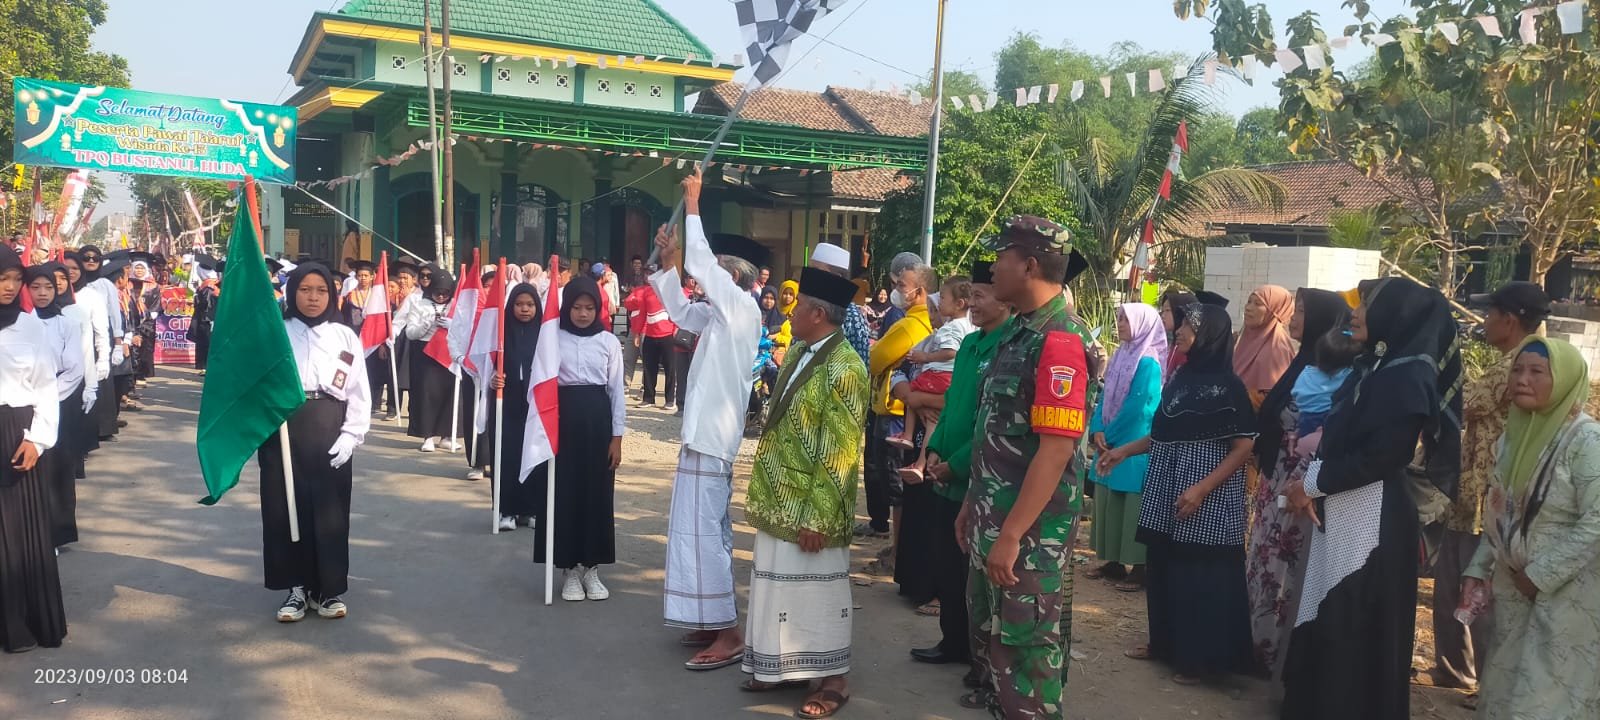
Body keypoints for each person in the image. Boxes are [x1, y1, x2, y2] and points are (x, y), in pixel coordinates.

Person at [1281, 278, 1462, 720]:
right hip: (1346, 506)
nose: (1355, 314)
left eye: (1366, 306)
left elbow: (1384, 455)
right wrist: (1313, 485)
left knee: (1353, 624)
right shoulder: (1374, 368)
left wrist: (1312, 485)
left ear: (1395, 314)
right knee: (1329, 614)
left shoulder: (1408, 379)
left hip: (1373, 519)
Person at [963, 216, 1093, 717]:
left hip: (1030, 538)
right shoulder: (1020, 331)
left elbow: (1056, 451)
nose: (993, 267)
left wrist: (1013, 535)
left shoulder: (1060, 340)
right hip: (995, 522)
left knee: (1027, 662)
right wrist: (973, 506)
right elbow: (994, 434)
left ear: (1030, 265)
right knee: (997, 653)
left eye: (1002, 257)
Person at [1098, 303, 1256, 685]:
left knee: (1199, 575)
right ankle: (1164, 644)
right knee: (1165, 565)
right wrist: (1124, 451)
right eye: (1181, 324)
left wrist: (1201, 489)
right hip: (1167, 485)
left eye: (1189, 326)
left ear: (1210, 336)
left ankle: (1199, 660)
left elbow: (1243, 446)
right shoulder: (1181, 377)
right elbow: (1163, 433)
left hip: (1207, 495)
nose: (1180, 331)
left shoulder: (1229, 387)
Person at [738, 267, 868, 719]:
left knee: (817, 593)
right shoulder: (797, 350)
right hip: (779, 493)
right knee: (775, 584)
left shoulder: (847, 367)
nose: (789, 312)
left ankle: (834, 680)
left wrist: (818, 515)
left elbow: (841, 449)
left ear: (817, 314)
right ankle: (778, 666)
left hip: (813, 503)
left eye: (798, 307)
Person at [650, 169, 764, 670]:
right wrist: (670, 261)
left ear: (731, 279)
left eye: (714, 271)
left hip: (714, 437)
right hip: (702, 436)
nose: (703, 277)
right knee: (694, 531)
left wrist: (694, 203)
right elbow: (678, 311)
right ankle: (708, 615)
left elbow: (700, 261)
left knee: (704, 534)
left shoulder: (740, 308)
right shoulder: (719, 314)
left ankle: (729, 631)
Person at [1463, 337, 1600, 719]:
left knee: (1549, 698)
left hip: (1568, 594)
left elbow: (1597, 519)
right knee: (1503, 691)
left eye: (1537, 371)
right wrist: (1478, 568)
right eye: (1518, 370)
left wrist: (1541, 575)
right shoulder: (1513, 437)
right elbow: (1502, 514)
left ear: (1565, 379)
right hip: (1514, 590)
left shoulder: (1586, 440)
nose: (1522, 379)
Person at [1426, 282, 1547, 696]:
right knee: (1452, 586)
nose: (1484, 321)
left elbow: (1461, 405)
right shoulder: (1521, 362)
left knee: (1475, 593)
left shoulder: (1514, 367)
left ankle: (1484, 683)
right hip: (1472, 494)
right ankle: (1454, 670)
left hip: (1488, 500)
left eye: (1489, 314)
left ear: (1509, 321)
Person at [911, 260, 1011, 678]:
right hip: (945, 471)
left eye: (980, 296)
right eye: (970, 296)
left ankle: (977, 654)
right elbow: (953, 404)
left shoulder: (1008, 347)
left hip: (976, 479)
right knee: (946, 565)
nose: (972, 304)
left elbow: (990, 424)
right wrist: (934, 450)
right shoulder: (969, 345)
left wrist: (955, 464)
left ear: (1003, 300)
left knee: (973, 573)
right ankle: (951, 641)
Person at [1245, 288, 1349, 684]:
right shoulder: (1302, 364)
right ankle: (1255, 645)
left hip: (1299, 485)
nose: (1294, 317)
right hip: (1275, 479)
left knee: (1284, 571)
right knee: (1263, 562)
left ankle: (1276, 654)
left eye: (1303, 311)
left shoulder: (1335, 374)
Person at [263, 264, 371, 622]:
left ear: (332, 294)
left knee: (329, 511)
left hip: (329, 423)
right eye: (305, 289)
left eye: (321, 290)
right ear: (292, 292)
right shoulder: (277, 332)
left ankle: (327, 589)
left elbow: (359, 390)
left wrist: (351, 434)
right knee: (285, 508)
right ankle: (295, 589)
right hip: (283, 426)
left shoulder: (344, 336)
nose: (313, 297)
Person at [535, 276, 625, 600]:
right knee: (565, 493)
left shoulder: (608, 342)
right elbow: (540, 381)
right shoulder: (552, 338)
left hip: (598, 425)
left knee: (596, 494)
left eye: (589, 308)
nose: (583, 314)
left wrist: (617, 438)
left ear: (598, 309)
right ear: (567, 308)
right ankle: (569, 569)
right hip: (562, 423)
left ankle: (591, 567)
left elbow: (616, 391)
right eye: (576, 307)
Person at [0, 244, 65, 652]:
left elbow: (46, 388)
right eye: (2, 279)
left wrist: (37, 440)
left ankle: (25, 623)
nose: (10, 287)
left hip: (17, 434)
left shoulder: (30, 327)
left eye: (15, 279)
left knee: (21, 532)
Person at [1085, 303, 1167, 591]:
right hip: (1110, 439)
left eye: (1126, 320)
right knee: (1110, 502)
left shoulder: (1148, 361)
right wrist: (1097, 429)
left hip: (1133, 443)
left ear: (1143, 324)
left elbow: (1140, 406)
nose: (1119, 324)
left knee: (1132, 505)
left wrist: (1110, 434)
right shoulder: (1120, 355)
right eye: (1119, 318)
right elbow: (1105, 395)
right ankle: (1114, 561)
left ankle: (1139, 567)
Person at [861, 260, 934, 541]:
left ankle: (896, 550)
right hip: (911, 410)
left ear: (920, 292)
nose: (895, 290)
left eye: (901, 285)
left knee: (893, 482)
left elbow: (875, 360)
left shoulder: (909, 326)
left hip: (895, 412)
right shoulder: (928, 323)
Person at [25, 265, 86, 549]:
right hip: (22, 402)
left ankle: (56, 534)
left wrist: (46, 397)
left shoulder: (66, 324)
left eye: (48, 287)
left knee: (57, 469)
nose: (42, 293)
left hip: (58, 402)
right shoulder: (19, 323)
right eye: (35, 287)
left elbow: (74, 368)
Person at [892, 276, 975, 481]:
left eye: (942, 300)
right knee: (932, 422)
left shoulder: (953, 327)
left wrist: (926, 357)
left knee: (917, 396)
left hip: (939, 378)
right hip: (946, 384)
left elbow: (950, 352)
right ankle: (920, 463)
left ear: (959, 304)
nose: (935, 310)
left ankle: (908, 437)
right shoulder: (966, 328)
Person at [486, 284, 546, 531]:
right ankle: (506, 509)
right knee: (507, 454)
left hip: (534, 403)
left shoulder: (545, 334)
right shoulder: (500, 333)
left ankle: (531, 509)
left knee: (533, 453)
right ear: (511, 306)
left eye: (530, 304)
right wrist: (492, 379)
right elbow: (485, 363)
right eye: (519, 304)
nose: (524, 309)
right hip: (506, 401)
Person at [403, 271, 457, 452]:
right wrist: (426, 325)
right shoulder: (419, 304)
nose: (441, 297)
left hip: (449, 352)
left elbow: (467, 329)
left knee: (449, 394)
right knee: (426, 395)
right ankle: (427, 436)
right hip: (425, 352)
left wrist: (452, 325)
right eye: (437, 292)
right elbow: (410, 333)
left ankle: (447, 435)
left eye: (445, 293)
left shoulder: (456, 305)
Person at [64, 252, 114, 443]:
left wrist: (103, 359)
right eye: (66, 268)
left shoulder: (91, 296)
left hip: (85, 357)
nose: (70, 272)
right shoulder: (52, 296)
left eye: (75, 268)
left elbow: (101, 330)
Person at [808, 242, 872, 365]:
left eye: (816, 270)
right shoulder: (807, 306)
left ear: (835, 277)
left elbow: (861, 363)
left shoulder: (852, 316)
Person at [1234, 285, 1298, 406]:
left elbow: (1272, 399)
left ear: (1274, 310)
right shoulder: (1247, 340)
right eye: (1249, 302)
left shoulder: (1277, 348)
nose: (1248, 308)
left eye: (1258, 304)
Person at [626, 278, 678, 408]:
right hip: (650, 334)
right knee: (649, 368)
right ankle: (649, 398)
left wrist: (676, 329)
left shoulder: (670, 292)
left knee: (669, 368)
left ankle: (670, 399)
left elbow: (677, 313)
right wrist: (637, 333)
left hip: (667, 334)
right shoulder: (647, 292)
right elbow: (642, 313)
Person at [190, 270, 220, 372]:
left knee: (204, 342)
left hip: (205, 318)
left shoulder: (208, 286)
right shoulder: (211, 284)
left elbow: (206, 304)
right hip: (207, 317)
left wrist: (196, 298)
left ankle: (204, 366)